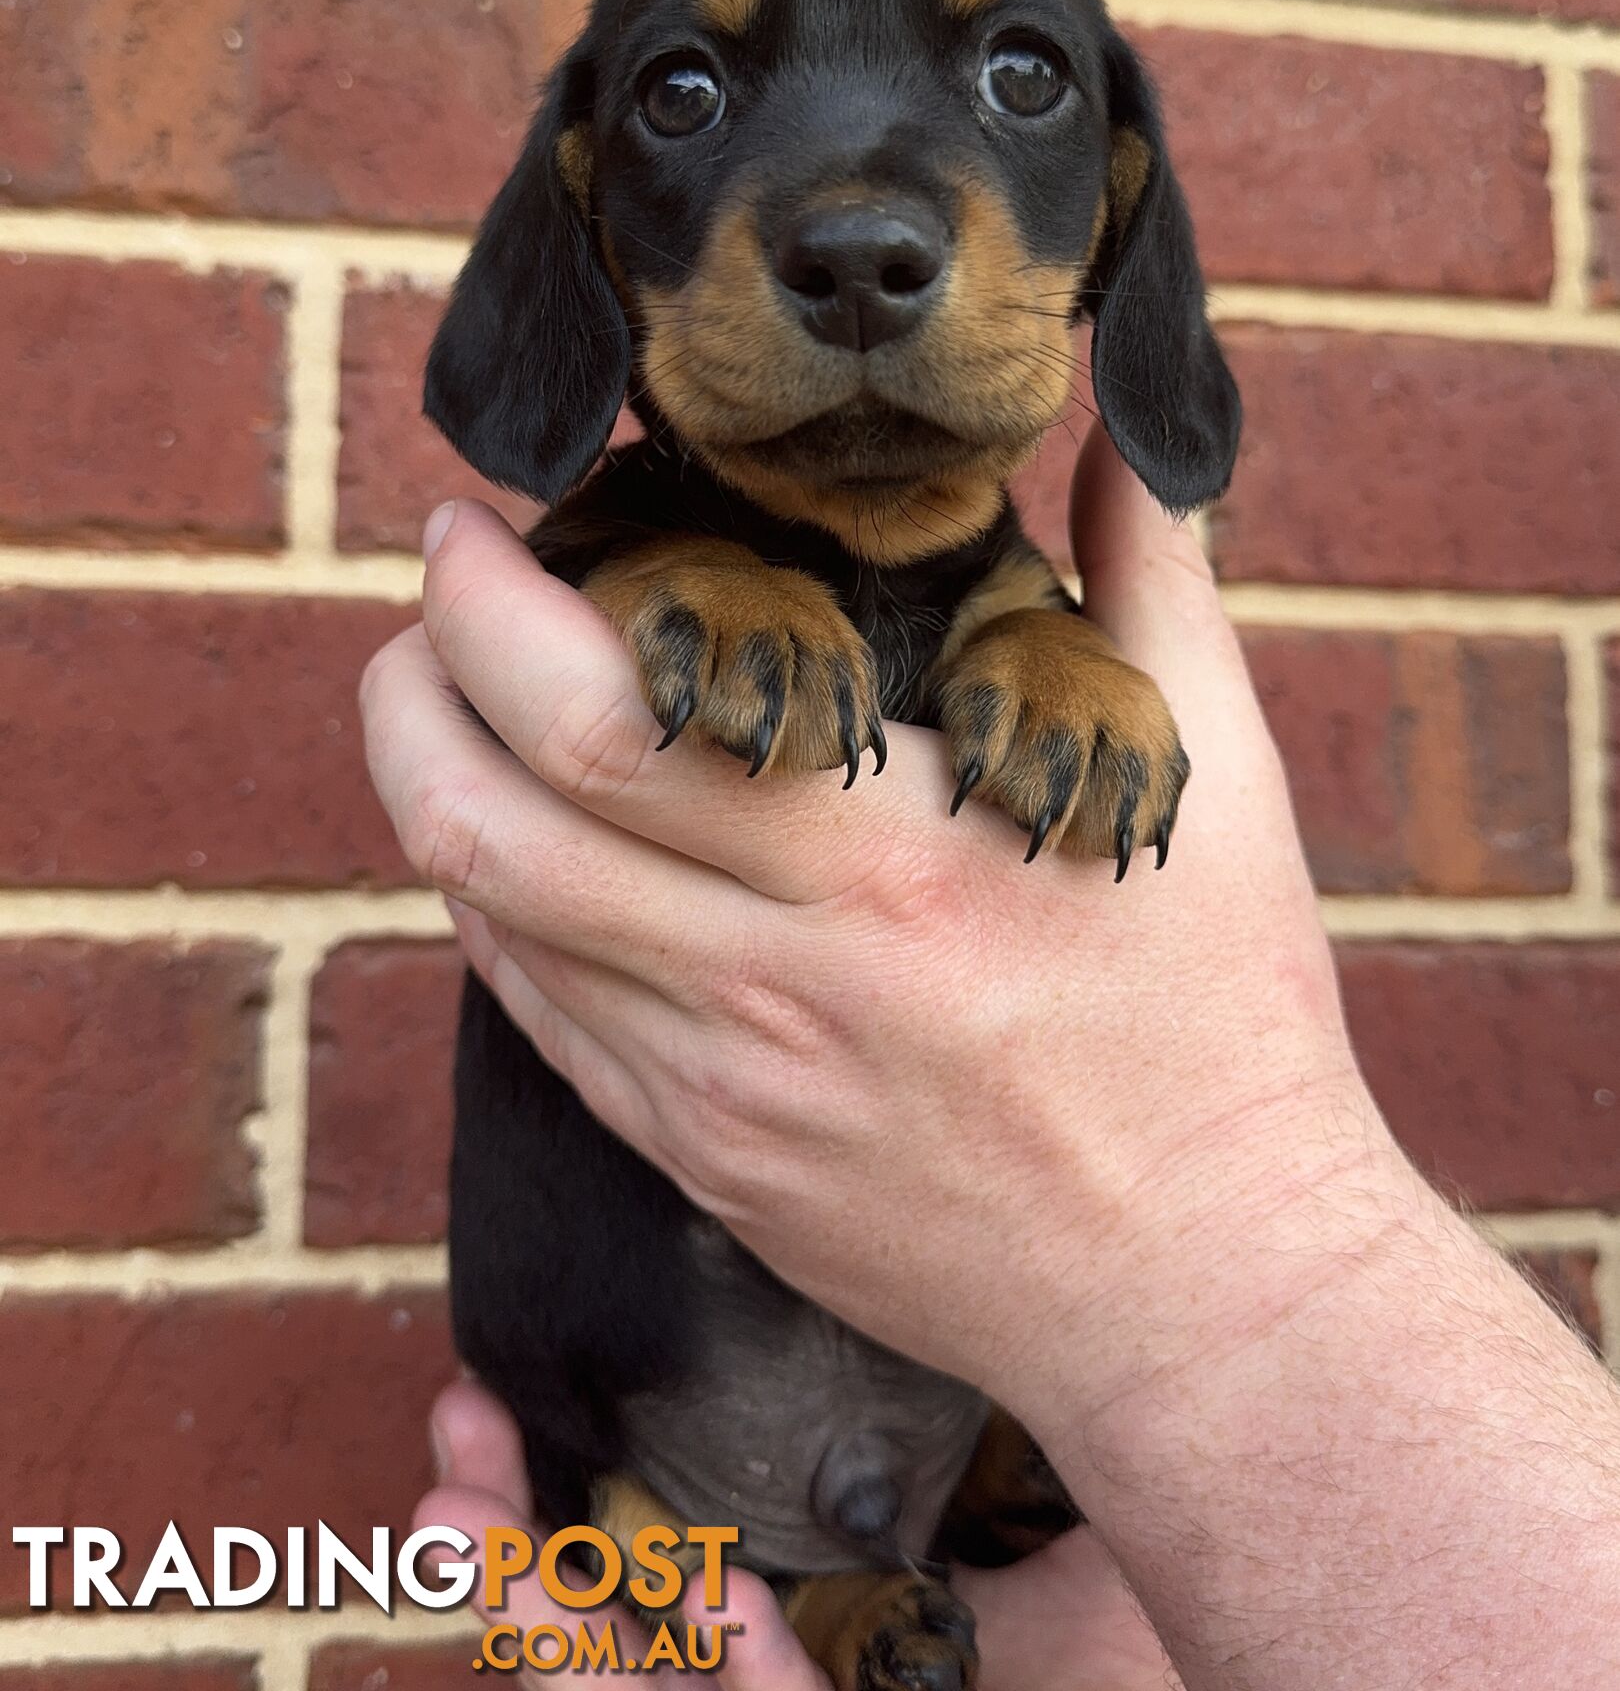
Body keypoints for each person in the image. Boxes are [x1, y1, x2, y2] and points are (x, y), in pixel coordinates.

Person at [360, 398, 1620, 1690]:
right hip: (628, 1420)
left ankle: (880, 1581)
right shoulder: (631, 538)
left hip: (981, 1442)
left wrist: (1241, 1223)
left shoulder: (1002, 600)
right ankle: (844, 1603)